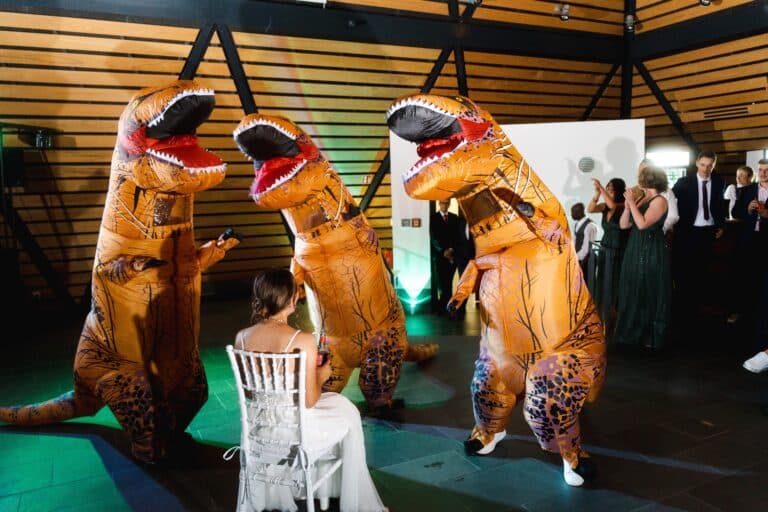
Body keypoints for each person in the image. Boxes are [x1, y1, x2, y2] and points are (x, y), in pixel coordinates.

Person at [234, 269, 387, 512]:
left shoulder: (242, 337)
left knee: (339, 405)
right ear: (291, 298)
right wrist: (320, 375)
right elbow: (309, 401)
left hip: (259, 427)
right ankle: (341, 494)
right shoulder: (302, 339)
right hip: (296, 431)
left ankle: (319, 489)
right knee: (348, 412)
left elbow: (252, 394)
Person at [614, 165, 671, 349]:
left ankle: (648, 336)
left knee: (647, 289)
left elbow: (643, 224)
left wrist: (631, 203)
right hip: (635, 248)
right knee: (632, 287)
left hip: (650, 251)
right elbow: (624, 225)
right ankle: (631, 334)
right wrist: (628, 206)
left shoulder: (659, 200)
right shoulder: (642, 198)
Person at [671, 151, 726, 326]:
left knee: (703, 272)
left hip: (708, 232)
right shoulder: (683, 183)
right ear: (697, 163)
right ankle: (683, 313)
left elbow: (719, 206)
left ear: (714, 165)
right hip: (688, 232)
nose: (706, 169)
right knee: (684, 271)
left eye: (710, 165)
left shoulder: (719, 181)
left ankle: (698, 314)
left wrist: (721, 226)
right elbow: (670, 202)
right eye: (703, 165)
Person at [733, 160, 768, 374]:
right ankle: (747, 330)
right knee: (748, 285)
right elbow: (736, 212)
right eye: (761, 170)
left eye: (767, 171)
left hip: (766, 244)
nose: (763, 173)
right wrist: (747, 208)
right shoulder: (747, 190)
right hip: (748, 244)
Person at [588, 177, 628, 320]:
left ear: (618, 191)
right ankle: (601, 309)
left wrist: (601, 187)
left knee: (616, 280)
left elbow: (613, 206)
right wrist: (597, 193)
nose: (608, 193)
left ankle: (615, 311)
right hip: (605, 248)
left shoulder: (624, 206)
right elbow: (591, 209)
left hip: (619, 249)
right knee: (603, 279)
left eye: (611, 190)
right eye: (607, 189)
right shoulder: (606, 207)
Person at [430, 199, 462, 314]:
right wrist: (443, 250)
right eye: (442, 203)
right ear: (439, 204)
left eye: (446, 203)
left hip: (452, 255)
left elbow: (458, 236)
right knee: (442, 283)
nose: (444, 205)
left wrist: (451, 249)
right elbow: (433, 237)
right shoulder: (433, 218)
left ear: (449, 204)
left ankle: (448, 307)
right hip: (440, 256)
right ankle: (443, 307)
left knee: (449, 281)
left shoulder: (455, 217)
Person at [571, 202, 598, 280]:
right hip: (578, 259)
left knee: (586, 283)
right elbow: (574, 241)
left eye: (574, 212)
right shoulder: (576, 224)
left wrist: (576, 258)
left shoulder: (590, 225)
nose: (572, 214)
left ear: (580, 212)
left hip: (587, 261)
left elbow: (587, 248)